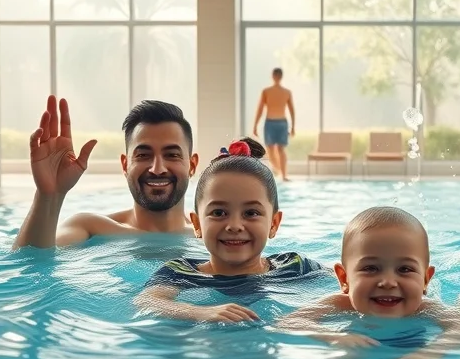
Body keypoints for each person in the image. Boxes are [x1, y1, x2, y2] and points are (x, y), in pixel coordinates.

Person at [134, 137, 327, 322]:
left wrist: (304, 317)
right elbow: (147, 301)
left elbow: (347, 284)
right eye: (218, 213)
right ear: (197, 224)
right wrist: (199, 312)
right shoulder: (180, 273)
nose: (234, 226)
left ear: (274, 224)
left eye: (251, 213)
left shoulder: (294, 267)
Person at [276, 206, 460, 359]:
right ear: (344, 279)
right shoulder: (340, 304)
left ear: (425, 280)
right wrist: (333, 337)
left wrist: (432, 353)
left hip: (412, 351)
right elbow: (290, 322)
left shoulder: (426, 309)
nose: (388, 282)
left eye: (404, 269)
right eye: (370, 268)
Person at [12, 97, 200, 250]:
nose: (157, 169)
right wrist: (49, 196)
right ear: (125, 165)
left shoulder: (209, 235)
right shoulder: (91, 229)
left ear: (192, 165)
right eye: (143, 155)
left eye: (172, 155)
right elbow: (30, 264)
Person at [251, 67, 295, 182]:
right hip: (273, 122)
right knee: (272, 149)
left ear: (273, 76)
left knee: (278, 149)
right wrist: (255, 125)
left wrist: (294, 126)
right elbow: (260, 109)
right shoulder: (267, 91)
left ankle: (282, 173)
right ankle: (279, 171)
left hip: (279, 122)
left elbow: (291, 110)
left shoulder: (284, 92)